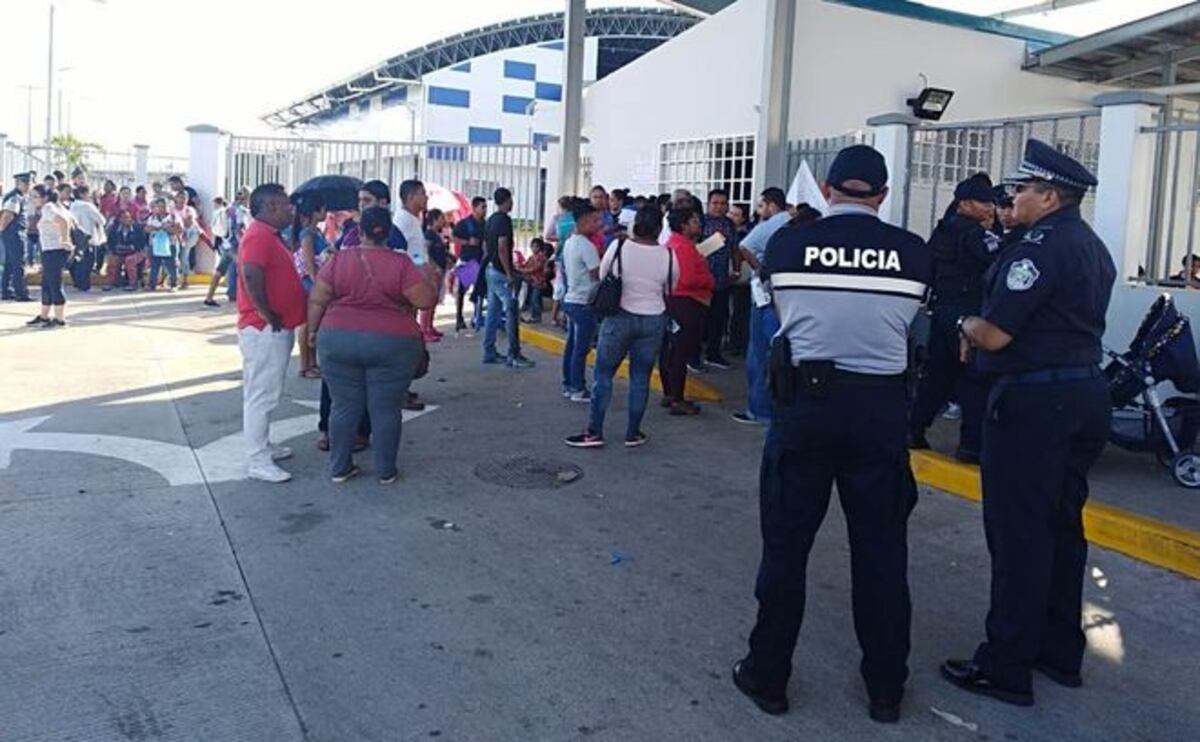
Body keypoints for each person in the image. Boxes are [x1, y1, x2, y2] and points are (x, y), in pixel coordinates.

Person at [731, 145, 932, 724]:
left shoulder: (789, 244)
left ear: (826, 187)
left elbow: (774, 314)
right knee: (882, 553)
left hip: (806, 409)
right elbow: (916, 324)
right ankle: (886, 688)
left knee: (787, 548)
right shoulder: (914, 254)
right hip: (880, 412)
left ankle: (768, 677)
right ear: (884, 195)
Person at [941, 140, 1115, 707]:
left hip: (1033, 406)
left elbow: (995, 333)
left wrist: (963, 323)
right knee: (1064, 528)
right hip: (1083, 394)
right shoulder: (1091, 245)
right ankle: (1059, 653)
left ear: (1049, 195)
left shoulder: (1034, 251)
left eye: (1022, 190)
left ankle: (1006, 665)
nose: (1012, 199)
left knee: (1019, 536)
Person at [306, 206, 437, 484]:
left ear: (359, 231)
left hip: (338, 339)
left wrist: (313, 332)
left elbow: (318, 298)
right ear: (389, 233)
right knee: (386, 408)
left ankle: (340, 468)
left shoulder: (340, 260)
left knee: (342, 406)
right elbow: (425, 300)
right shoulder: (401, 264)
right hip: (392, 344)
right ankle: (386, 472)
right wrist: (427, 274)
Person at [566, 205, 676, 448]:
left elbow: (604, 273)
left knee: (603, 375)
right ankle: (633, 433)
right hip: (653, 320)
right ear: (659, 229)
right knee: (640, 377)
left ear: (635, 224)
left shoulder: (620, 246)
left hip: (619, 317)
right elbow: (671, 286)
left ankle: (594, 432)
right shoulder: (668, 255)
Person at [909, 174, 999, 463]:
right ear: (965, 203)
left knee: (937, 377)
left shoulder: (943, 230)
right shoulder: (975, 235)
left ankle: (912, 430)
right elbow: (996, 263)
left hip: (943, 311)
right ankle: (972, 446)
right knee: (974, 380)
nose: (990, 208)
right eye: (983, 202)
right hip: (968, 315)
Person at [236, 183, 306, 483]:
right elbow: (251, 274)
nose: (290, 209)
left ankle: (263, 446)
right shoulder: (259, 236)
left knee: (265, 391)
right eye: (284, 204)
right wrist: (266, 312)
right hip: (264, 328)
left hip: (273, 326)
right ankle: (258, 460)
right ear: (269, 208)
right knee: (261, 394)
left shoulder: (270, 235)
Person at [730, 188, 793, 426]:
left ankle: (758, 409)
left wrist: (759, 269)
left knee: (758, 353)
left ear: (770, 204)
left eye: (760, 206)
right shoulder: (793, 223)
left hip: (765, 294)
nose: (758, 211)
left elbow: (744, 246)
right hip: (787, 297)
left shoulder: (774, 223)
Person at [658, 206, 712, 415]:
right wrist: (709, 279)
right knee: (680, 351)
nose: (698, 225)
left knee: (670, 350)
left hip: (674, 300)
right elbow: (688, 279)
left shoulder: (673, 244)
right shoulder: (684, 247)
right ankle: (677, 398)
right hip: (686, 302)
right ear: (684, 225)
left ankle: (670, 393)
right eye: (695, 221)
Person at [482, 187, 535, 368]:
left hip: (490, 269)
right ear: (507, 200)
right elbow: (503, 247)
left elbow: (486, 246)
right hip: (500, 272)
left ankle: (489, 351)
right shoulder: (504, 220)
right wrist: (509, 272)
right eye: (511, 199)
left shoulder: (490, 220)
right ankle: (514, 354)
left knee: (493, 312)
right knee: (511, 311)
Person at [560, 203, 603, 401]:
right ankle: (578, 388)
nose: (598, 224)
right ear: (584, 221)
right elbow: (597, 274)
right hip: (583, 302)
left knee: (572, 346)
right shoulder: (587, 246)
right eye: (595, 220)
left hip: (571, 299)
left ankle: (569, 384)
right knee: (580, 348)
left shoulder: (570, 242)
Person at [286, 196, 329, 378]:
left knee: (314, 324)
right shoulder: (307, 235)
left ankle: (312, 362)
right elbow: (310, 264)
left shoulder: (316, 232)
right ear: (314, 213)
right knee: (306, 324)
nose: (325, 213)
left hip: (314, 281)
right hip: (309, 283)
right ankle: (305, 365)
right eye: (323, 210)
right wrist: (317, 283)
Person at [26, 186, 75, 328]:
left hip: (55, 250)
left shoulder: (48, 208)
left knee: (54, 284)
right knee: (47, 283)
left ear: (45, 197)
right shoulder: (56, 206)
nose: (32, 199)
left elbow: (63, 222)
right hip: (51, 250)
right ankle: (44, 316)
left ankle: (60, 320)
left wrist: (64, 239)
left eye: (35, 196)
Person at [699, 188, 735, 370]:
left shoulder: (729, 223)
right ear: (708, 204)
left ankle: (714, 353)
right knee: (699, 321)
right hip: (702, 280)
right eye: (715, 203)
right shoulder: (700, 222)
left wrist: (735, 270)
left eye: (723, 203)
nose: (719, 207)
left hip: (722, 280)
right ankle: (694, 356)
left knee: (718, 319)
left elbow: (734, 248)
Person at [205, 187, 249, 306]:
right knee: (244, 271)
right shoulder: (241, 211)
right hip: (236, 245)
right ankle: (246, 300)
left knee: (219, 271)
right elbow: (240, 229)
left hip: (225, 244)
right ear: (246, 197)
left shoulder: (226, 209)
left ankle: (209, 297)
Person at [451, 196, 487, 333]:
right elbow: (454, 238)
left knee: (480, 291)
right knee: (462, 290)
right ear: (474, 208)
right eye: (482, 207)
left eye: (485, 208)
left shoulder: (486, 224)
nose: (484, 210)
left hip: (481, 260)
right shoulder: (465, 224)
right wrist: (467, 242)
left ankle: (476, 317)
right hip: (468, 260)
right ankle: (459, 318)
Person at [1, 171, 35, 302]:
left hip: (13, 233)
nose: (28, 185)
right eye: (25, 183)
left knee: (10, 263)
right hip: (14, 233)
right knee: (18, 263)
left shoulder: (19, 196)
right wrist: (3, 230)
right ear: (18, 183)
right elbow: (7, 215)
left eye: (29, 183)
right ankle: (21, 293)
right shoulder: (15, 197)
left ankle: (6, 290)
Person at [68, 185, 106, 292]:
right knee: (87, 262)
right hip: (88, 237)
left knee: (77, 261)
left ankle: (78, 283)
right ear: (82, 194)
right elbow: (101, 220)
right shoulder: (88, 206)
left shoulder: (72, 206)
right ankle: (85, 286)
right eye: (87, 194)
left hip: (76, 237)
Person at [727, 202, 753, 356]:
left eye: (736, 214)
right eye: (730, 213)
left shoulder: (745, 234)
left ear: (743, 219)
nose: (730, 217)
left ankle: (737, 343)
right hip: (732, 277)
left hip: (741, 279)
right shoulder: (727, 231)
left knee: (738, 312)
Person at [421, 208, 449, 342]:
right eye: (441, 218)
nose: (444, 221)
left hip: (440, 270)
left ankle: (430, 326)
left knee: (434, 300)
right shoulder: (429, 235)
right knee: (428, 301)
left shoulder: (437, 234)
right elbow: (425, 252)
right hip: (433, 271)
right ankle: (424, 329)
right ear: (435, 220)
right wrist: (434, 267)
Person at [103, 210, 147, 291]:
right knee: (112, 260)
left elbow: (142, 243)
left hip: (136, 252)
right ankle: (110, 283)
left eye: (128, 217)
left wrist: (132, 247)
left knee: (129, 260)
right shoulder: (115, 229)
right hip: (119, 252)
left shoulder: (137, 228)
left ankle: (133, 284)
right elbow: (110, 243)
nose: (126, 220)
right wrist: (116, 249)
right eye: (124, 218)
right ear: (120, 219)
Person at [393, 179, 429, 268]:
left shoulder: (413, 219)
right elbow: (401, 252)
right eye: (423, 193)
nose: (427, 197)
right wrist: (420, 265)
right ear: (411, 197)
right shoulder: (403, 220)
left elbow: (415, 251)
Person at [146, 199, 177, 291]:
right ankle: (152, 284)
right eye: (159, 206)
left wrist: (167, 229)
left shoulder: (173, 217)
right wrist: (155, 228)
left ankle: (173, 284)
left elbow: (179, 229)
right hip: (154, 245)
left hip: (169, 244)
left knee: (171, 265)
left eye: (163, 206)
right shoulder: (152, 218)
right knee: (154, 265)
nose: (161, 209)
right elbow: (147, 228)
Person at [518, 238, 551, 323]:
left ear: (540, 247)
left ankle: (536, 316)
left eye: (536, 246)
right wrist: (520, 266)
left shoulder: (541, 257)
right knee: (535, 298)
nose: (533, 248)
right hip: (533, 281)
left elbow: (535, 268)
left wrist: (523, 270)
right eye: (532, 246)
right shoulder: (532, 257)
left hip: (538, 281)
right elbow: (526, 264)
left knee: (535, 299)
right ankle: (535, 315)